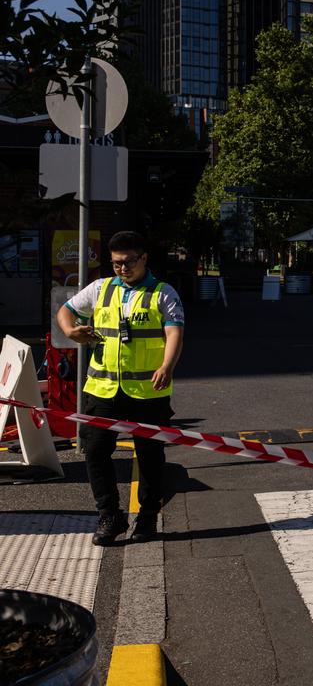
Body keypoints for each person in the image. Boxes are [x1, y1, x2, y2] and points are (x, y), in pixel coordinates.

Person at [56, 231, 185, 546]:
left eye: (128, 262)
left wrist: (166, 367)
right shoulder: (101, 289)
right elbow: (66, 310)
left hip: (147, 393)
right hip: (103, 390)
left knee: (151, 456)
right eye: (116, 264)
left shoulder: (163, 293)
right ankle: (110, 515)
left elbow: (174, 333)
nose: (122, 269)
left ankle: (147, 517)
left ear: (143, 258)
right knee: (96, 452)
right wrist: (70, 330)